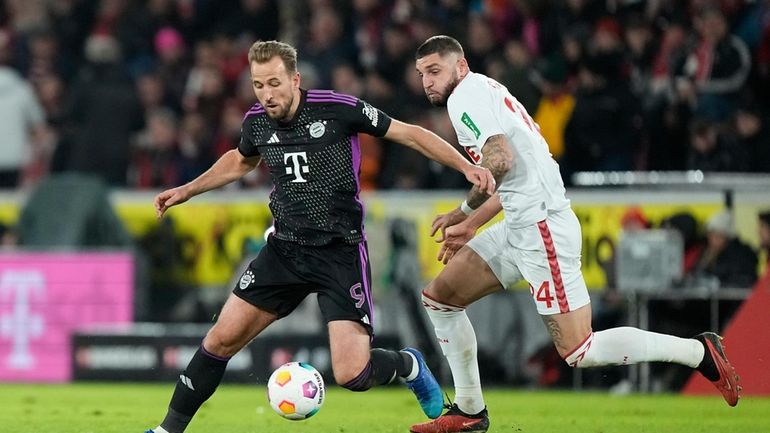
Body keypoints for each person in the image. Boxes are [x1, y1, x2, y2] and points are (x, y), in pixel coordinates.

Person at [144, 40, 496, 433]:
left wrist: (467, 168)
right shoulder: (256, 121)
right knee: (220, 340)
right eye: (258, 85)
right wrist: (187, 190)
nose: (267, 94)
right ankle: (166, 430)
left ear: (295, 79)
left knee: (353, 375)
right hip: (285, 250)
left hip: (339, 254)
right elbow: (241, 159)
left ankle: (407, 364)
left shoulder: (337, 109)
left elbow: (410, 134)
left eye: (274, 83)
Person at [410, 36, 741, 433]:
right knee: (440, 299)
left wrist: (465, 210)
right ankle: (469, 411)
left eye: (434, 70)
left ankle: (698, 352)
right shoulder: (487, 90)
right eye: (421, 74)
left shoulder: (464, 97)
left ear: (460, 66)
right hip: (521, 224)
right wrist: (473, 221)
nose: (427, 81)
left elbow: (500, 160)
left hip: (541, 229)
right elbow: (519, 173)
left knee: (579, 351)